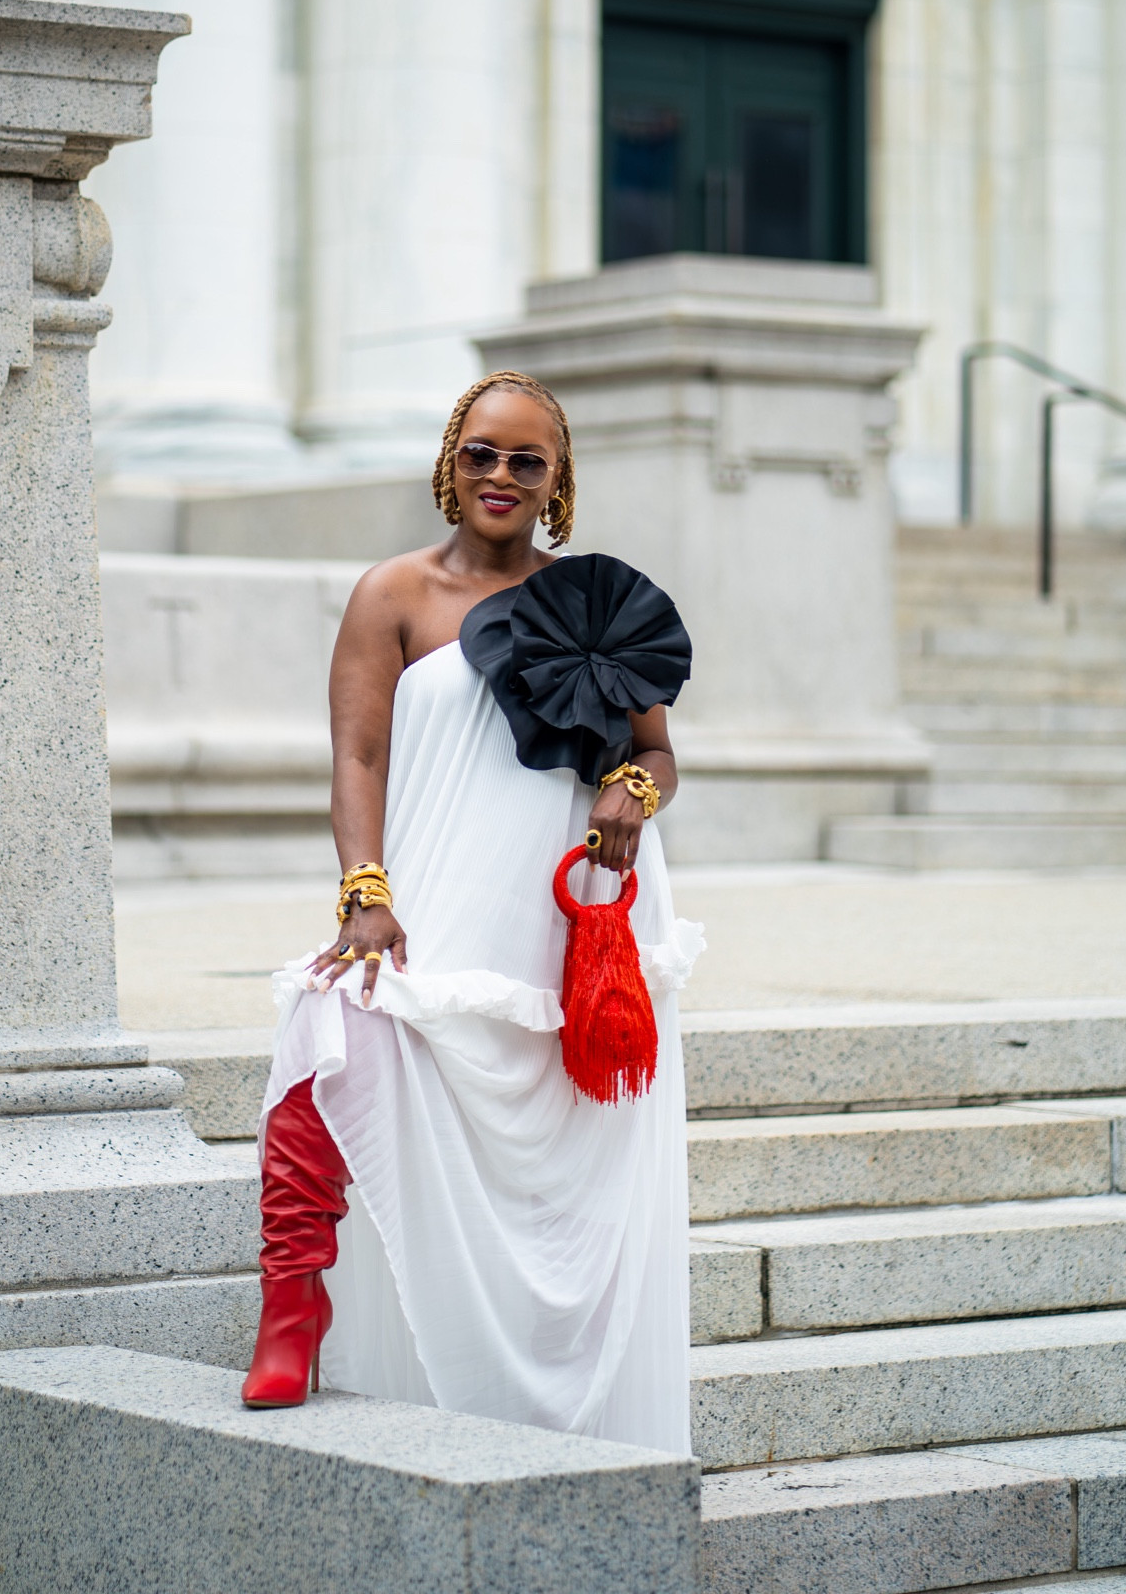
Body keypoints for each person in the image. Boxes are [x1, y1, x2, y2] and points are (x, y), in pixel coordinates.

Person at [241, 369, 702, 1453]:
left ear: (558, 480)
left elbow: (658, 753)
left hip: (564, 915)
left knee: (569, 1167)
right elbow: (357, 755)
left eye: (526, 459)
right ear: (451, 457)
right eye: (482, 452)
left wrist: (629, 794)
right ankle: (292, 1304)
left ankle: (563, 1399)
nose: (501, 474)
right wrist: (365, 890)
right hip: (433, 894)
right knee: (326, 1024)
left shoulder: (596, 599)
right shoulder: (390, 594)